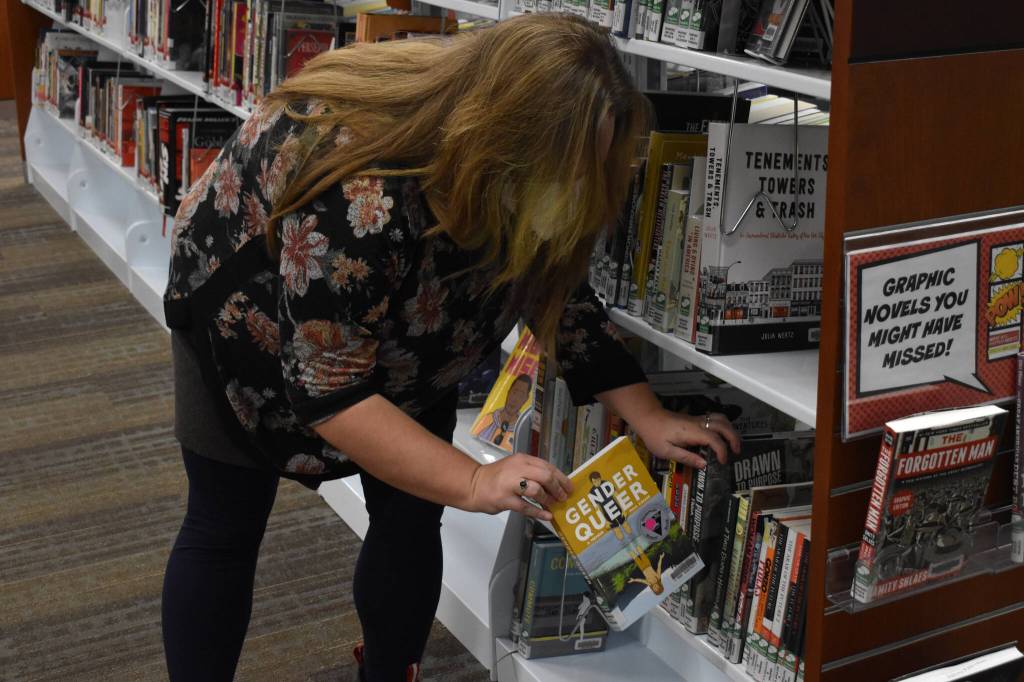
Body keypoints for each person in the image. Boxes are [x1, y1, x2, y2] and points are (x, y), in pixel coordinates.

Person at [160, 13, 741, 682]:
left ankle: (388, 672)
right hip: (246, 323)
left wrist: (647, 414)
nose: (572, 187)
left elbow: (560, 293)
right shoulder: (360, 175)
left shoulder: (535, 163)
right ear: (501, 137)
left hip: (415, 337)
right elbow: (332, 391)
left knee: (410, 519)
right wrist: (473, 479)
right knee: (226, 525)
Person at [471, 373, 533, 449]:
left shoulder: (521, 431)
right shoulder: (488, 418)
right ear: (508, 392)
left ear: (526, 399)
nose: (515, 399)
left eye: (521, 395)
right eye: (514, 392)